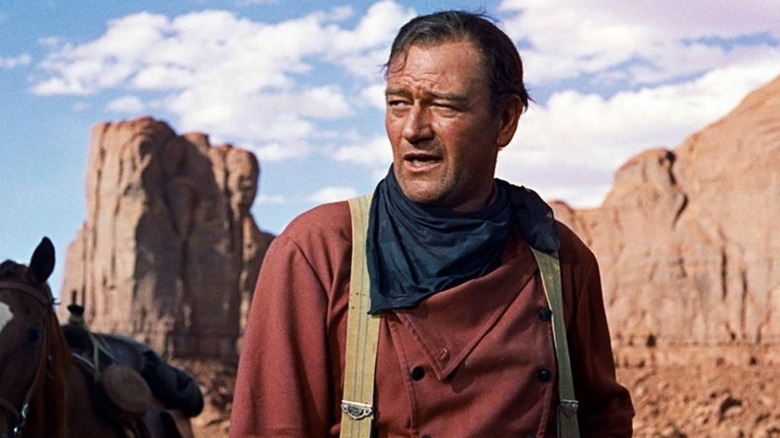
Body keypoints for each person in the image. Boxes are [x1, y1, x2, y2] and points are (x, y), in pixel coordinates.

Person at [230, 10, 634, 438]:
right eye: (398, 103)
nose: (413, 129)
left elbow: (602, 421)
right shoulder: (319, 251)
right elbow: (269, 426)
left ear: (506, 121)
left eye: (444, 105)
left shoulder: (560, 262)